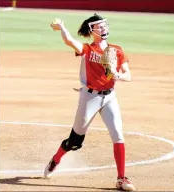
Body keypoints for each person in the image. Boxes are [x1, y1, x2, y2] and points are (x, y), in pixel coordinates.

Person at [44, 13, 136, 191]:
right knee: (74, 141)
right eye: (99, 26)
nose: (103, 28)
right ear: (91, 30)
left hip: (110, 97)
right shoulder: (87, 49)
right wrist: (62, 27)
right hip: (89, 97)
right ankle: (56, 159)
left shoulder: (116, 50)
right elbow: (70, 41)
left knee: (118, 134)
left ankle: (121, 178)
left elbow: (128, 75)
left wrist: (118, 76)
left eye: (104, 25)